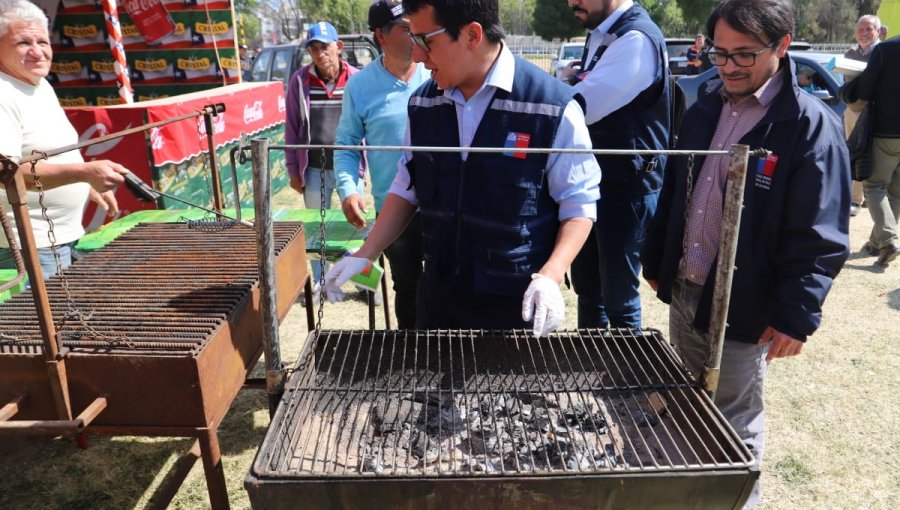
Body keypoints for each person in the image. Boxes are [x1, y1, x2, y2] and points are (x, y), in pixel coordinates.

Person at [640, 1, 850, 507]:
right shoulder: (708, 103)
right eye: (719, 53)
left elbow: (818, 234)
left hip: (745, 302)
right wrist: (657, 261)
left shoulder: (807, 126)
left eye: (744, 55)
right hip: (690, 287)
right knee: (689, 400)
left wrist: (795, 315)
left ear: (782, 46)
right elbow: (677, 186)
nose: (729, 66)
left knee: (733, 421)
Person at [325, 0, 601, 337]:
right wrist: (367, 253)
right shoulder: (424, 103)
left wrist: (552, 274)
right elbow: (405, 186)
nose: (417, 56)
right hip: (439, 299)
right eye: (413, 40)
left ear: (472, 35)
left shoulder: (550, 107)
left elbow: (579, 204)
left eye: (426, 41)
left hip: (516, 304)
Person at [560, 0, 671, 329]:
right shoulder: (602, 32)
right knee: (589, 289)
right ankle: (591, 371)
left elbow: (582, 105)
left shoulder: (635, 39)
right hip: (597, 182)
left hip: (625, 188)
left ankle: (622, 376)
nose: (572, 2)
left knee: (618, 298)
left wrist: (541, 94)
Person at [0, 0, 126, 279]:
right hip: (27, 246)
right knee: (44, 323)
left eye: (43, 42)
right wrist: (82, 172)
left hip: (55, 239)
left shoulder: (38, 84)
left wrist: (82, 182)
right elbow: (5, 172)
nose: (37, 51)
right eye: (23, 43)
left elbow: (46, 152)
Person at [333, 0, 430, 327]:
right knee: (407, 286)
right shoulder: (360, 86)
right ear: (381, 36)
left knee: (446, 285)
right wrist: (349, 189)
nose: (415, 32)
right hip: (393, 208)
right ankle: (412, 360)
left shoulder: (437, 70)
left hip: (442, 204)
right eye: (406, 27)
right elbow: (346, 145)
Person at [285, 21, 365, 298]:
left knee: (355, 227)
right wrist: (293, 169)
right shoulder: (298, 81)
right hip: (313, 169)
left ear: (338, 47)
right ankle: (321, 284)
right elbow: (292, 128)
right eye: (314, 48)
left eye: (325, 47)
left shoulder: (357, 79)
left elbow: (365, 124)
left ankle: (362, 283)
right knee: (316, 230)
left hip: (350, 166)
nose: (320, 54)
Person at [842, 34, 900, 267]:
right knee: (896, 192)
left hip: (885, 130)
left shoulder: (885, 50)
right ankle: (877, 244)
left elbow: (864, 92)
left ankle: (888, 240)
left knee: (874, 186)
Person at [843, 15, 882, 217]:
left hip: (876, 112)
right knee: (854, 154)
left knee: (874, 156)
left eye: (869, 29)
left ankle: (861, 198)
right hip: (852, 110)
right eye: (861, 30)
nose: (864, 34)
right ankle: (856, 200)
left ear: (878, 31)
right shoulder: (850, 52)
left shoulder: (883, 52)